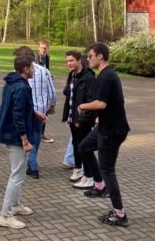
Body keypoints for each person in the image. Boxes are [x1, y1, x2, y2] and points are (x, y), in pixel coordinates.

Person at [77, 43, 130, 227]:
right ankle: (100, 186)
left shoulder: (106, 76)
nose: (88, 59)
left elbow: (101, 103)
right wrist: (101, 117)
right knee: (84, 147)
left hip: (112, 131)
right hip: (105, 126)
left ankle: (119, 214)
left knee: (107, 170)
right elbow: (114, 101)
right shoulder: (106, 74)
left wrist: (83, 106)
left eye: (90, 56)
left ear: (100, 56)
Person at [0, 55, 37, 229]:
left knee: (18, 174)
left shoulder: (12, 83)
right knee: (17, 176)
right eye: (32, 67)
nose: (34, 70)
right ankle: (5, 215)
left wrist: (34, 113)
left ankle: (15, 205)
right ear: (25, 69)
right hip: (16, 136)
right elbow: (17, 115)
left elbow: (19, 108)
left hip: (12, 134)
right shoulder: (21, 87)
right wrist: (25, 140)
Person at [13, 46, 56, 179]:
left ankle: (32, 165)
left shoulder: (17, 72)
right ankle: (32, 162)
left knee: (27, 136)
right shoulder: (44, 70)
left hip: (27, 109)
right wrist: (52, 105)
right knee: (36, 134)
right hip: (41, 108)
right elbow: (52, 91)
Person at [62, 50, 96, 185]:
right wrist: (68, 116)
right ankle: (78, 169)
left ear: (79, 60)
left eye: (71, 60)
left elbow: (91, 101)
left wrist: (81, 120)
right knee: (75, 144)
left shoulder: (89, 78)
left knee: (84, 147)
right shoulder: (72, 75)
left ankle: (89, 175)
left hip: (83, 120)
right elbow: (69, 96)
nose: (68, 63)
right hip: (72, 119)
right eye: (67, 61)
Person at [36, 40, 54, 143]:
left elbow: (46, 70)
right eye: (42, 48)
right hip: (37, 86)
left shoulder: (47, 57)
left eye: (45, 48)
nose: (43, 50)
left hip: (45, 86)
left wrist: (50, 75)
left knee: (45, 109)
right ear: (38, 48)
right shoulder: (35, 58)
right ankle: (38, 133)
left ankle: (41, 133)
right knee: (38, 109)